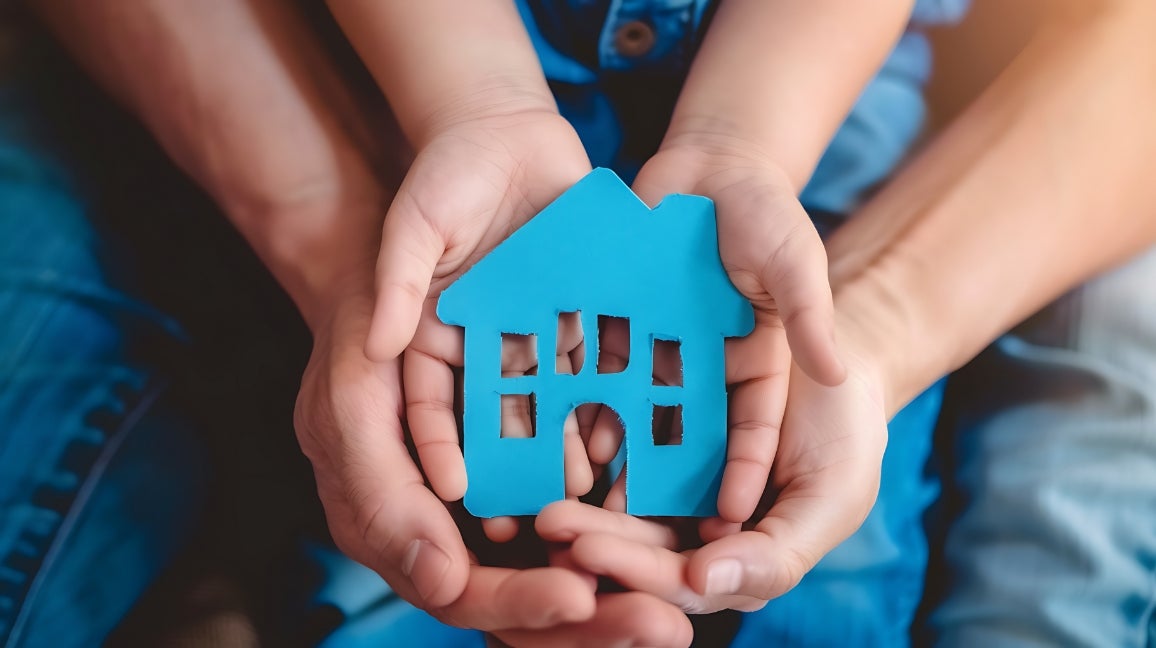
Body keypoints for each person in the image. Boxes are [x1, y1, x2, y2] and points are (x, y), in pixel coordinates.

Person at [4, 0, 1154, 646]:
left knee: (831, 598)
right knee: (383, 577)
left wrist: (751, 149)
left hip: (817, 115)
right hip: (340, 82)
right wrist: (466, 108)